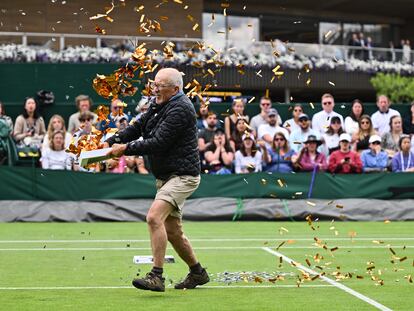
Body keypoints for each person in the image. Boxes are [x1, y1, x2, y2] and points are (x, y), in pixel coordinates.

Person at [105, 68, 209, 292]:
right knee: (173, 232)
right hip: (167, 176)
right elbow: (139, 126)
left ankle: (156, 276)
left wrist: (124, 149)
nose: (155, 89)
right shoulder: (159, 103)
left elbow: (158, 141)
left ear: (175, 89)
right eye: (154, 85)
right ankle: (198, 272)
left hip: (183, 176)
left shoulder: (181, 108)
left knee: (153, 218)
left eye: (160, 86)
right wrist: (114, 139)